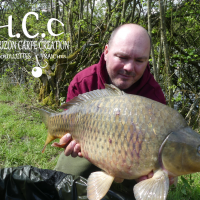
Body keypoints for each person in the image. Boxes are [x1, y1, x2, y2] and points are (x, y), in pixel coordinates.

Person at [53, 23, 173, 198]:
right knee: (64, 180)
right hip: (89, 149)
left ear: (147, 60)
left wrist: (153, 174)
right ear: (106, 51)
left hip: (133, 158)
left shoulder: (152, 94)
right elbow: (68, 127)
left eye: (139, 60)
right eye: (122, 57)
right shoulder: (83, 81)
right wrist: (67, 141)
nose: (129, 68)